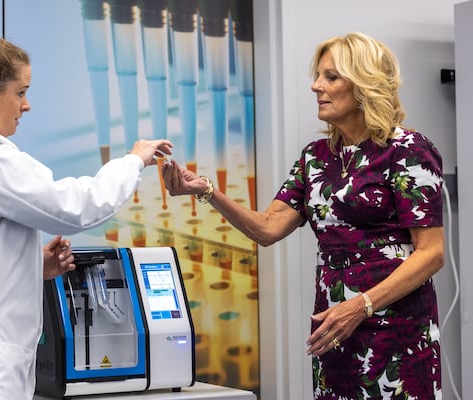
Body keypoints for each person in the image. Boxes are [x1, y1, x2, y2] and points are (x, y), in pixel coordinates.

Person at [0, 25, 173, 400]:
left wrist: (29, 265)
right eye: (21, 92)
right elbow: (78, 208)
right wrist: (133, 161)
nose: (26, 105)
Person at [162, 32, 444, 399]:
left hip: (397, 331)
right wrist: (205, 191)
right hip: (334, 328)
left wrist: (361, 306)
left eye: (331, 77)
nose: (316, 86)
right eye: (318, 76)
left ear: (363, 84)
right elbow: (267, 228)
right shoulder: (315, 157)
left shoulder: (407, 150)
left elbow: (431, 253)